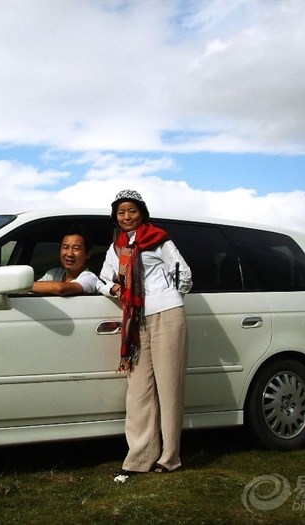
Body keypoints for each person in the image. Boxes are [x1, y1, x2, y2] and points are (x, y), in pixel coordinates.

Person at [97, 189, 192, 482]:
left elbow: (184, 274)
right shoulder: (116, 248)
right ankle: (139, 457)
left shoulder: (159, 240)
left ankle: (170, 457)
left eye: (132, 211)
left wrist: (167, 293)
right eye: (121, 212)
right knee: (138, 392)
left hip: (166, 314)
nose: (126, 217)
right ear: (116, 216)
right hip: (135, 320)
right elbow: (103, 278)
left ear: (142, 213)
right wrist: (116, 289)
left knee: (168, 388)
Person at [31, 224, 98, 296]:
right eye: (66, 247)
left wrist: (25, 286)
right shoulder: (53, 274)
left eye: (76, 248)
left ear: (87, 254)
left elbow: (61, 289)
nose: (69, 254)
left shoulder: (90, 278)